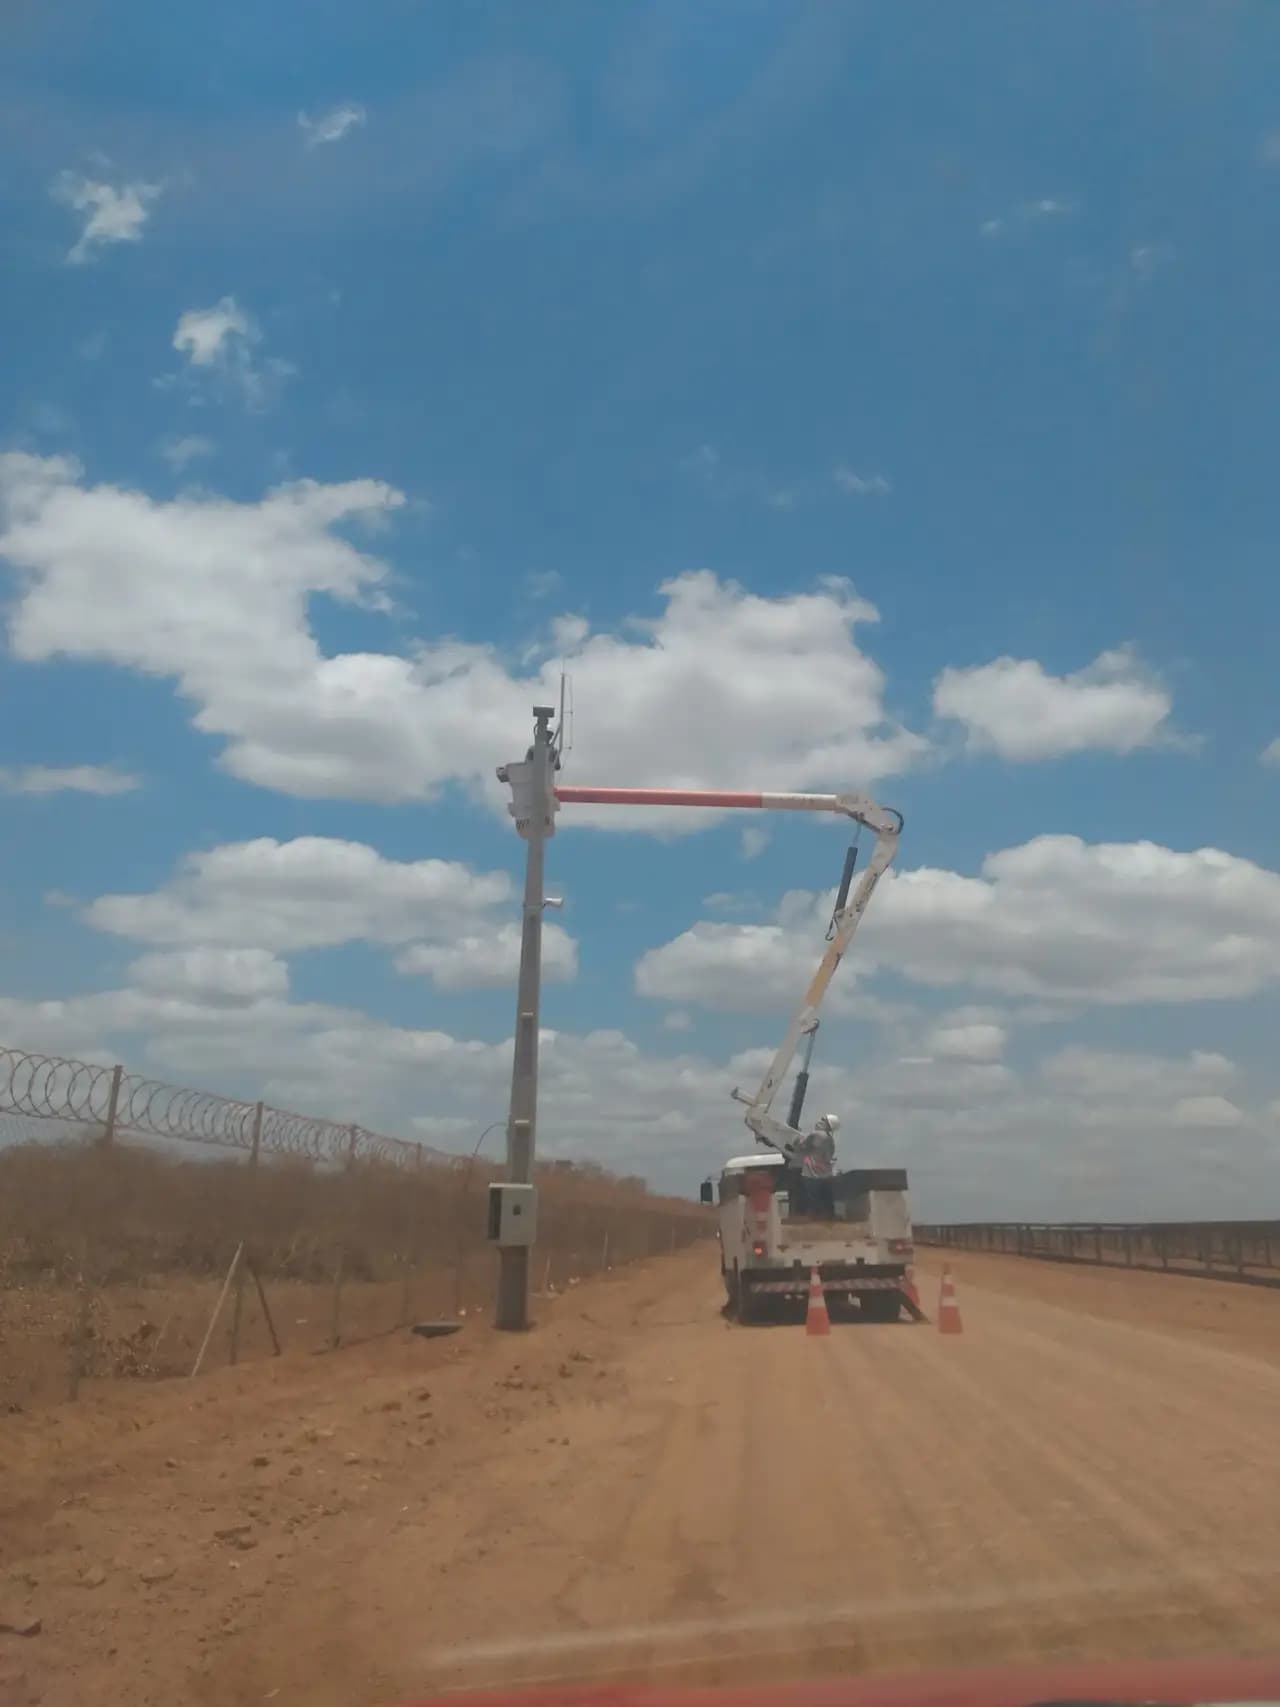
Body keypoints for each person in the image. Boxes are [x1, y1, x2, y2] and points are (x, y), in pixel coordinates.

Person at [791, 1113, 839, 1215]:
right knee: (826, 1200)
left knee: (812, 1199)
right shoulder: (830, 1140)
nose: (819, 1121)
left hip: (811, 1173)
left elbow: (801, 1146)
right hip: (825, 1174)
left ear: (827, 1124)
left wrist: (797, 1140)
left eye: (823, 1120)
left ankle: (814, 1218)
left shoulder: (816, 1134)